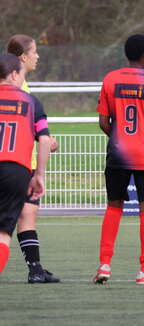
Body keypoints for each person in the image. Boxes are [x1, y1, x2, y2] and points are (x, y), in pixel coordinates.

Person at [93, 34, 144, 285]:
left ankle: (104, 265)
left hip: (117, 153)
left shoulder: (110, 79)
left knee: (114, 205)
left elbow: (103, 122)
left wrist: (118, 136)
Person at [7, 34, 60, 283]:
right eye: (34, 51)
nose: (38, 56)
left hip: (20, 163)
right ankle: (35, 269)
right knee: (17, 219)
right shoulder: (22, 92)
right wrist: (45, 142)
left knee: (27, 215)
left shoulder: (23, 89)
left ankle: (35, 269)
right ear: (22, 58)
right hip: (19, 165)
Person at [0, 53, 51, 274]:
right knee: (3, 234)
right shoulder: (30, 101)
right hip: (15, 171)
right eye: (21, 74)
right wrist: (39, 174)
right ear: (13, 74)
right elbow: (46, 140)